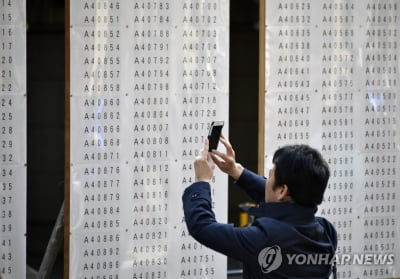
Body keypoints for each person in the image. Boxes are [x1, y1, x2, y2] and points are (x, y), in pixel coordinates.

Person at [182, 135, 337, 279]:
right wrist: (236, 171)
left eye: (270, 175)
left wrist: (201, 181)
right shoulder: (326, 231)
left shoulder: (264, 239)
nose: (267, 181)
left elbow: (202, 227)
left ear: (283, 190)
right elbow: (283, 201)